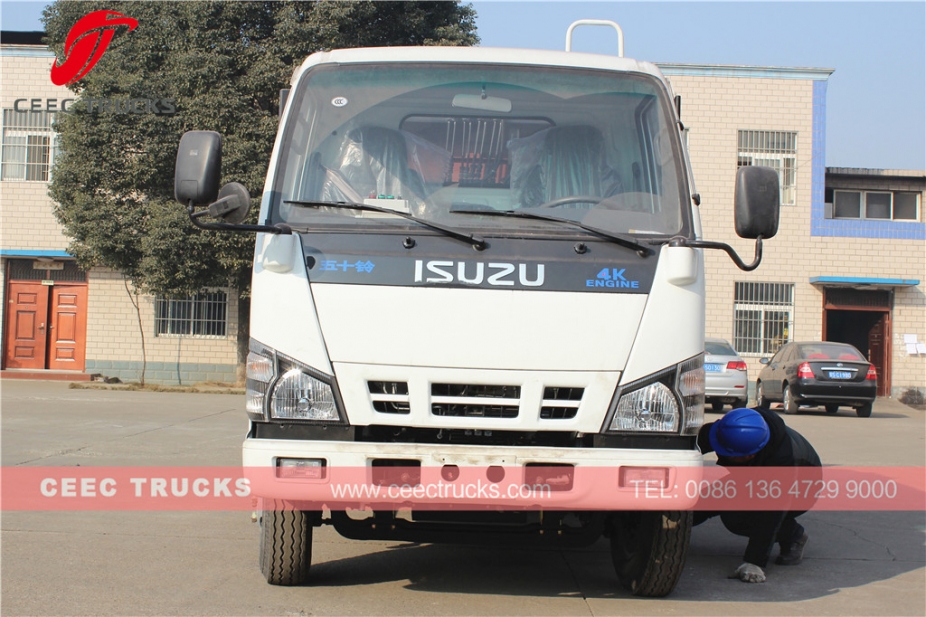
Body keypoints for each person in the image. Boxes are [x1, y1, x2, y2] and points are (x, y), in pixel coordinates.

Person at [696, 407, 822, 583]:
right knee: (706, 500)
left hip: (803, 487)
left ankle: (793, 535)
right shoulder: (729, 429)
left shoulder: (781, 464)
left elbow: (770, 515)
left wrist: (754, 561)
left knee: (738, 517)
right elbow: (690, 444)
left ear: (750, 455)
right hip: (753, 476)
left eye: (729, 455)